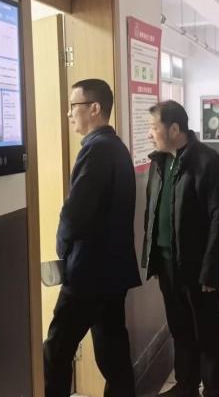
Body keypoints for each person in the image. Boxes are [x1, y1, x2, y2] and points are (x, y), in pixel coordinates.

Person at [43, 79, 141, 397]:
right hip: (112, 271)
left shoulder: (96, 150)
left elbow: (75, 213)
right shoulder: (116, 148)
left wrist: (62, 249)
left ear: (94, 108)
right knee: (113, 349)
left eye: (74, 106)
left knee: (57, 348)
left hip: (89, 273)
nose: (69, 113)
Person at [141, 100, 219, 397]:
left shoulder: (211, 163)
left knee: (208, 334)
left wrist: (213, 270)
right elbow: (152, 212)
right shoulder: (159, 163)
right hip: (168, 264)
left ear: (174, 129)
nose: (149, 134)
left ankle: (215, 391)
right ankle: (186, 386)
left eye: (153, 128)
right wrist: (153, 259)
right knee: (180, 330)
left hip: (198, 268)